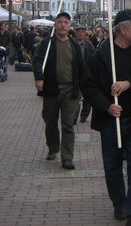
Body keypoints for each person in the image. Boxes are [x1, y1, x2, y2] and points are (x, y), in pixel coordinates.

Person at [81, 9, 131, 225]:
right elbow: (88, 86)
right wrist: (106, 106)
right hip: (110, 121)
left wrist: (130, 83)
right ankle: (119, 203)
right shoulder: (101, 55)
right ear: (123, 29)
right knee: (112, 165)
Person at [32, 12, 85, 170]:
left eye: (66, 22)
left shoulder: (74, 46)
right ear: (55, 24)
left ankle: (67, 157)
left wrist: (82, 88)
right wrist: (39, 77)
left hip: (70, 91)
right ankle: (53, 147)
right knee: (50, 122)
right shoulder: (47, 44)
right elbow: (37, 61)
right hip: (51, 89)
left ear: (70, 26)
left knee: (68, 125)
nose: (62, 25)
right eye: (60, 22)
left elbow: (81, 68)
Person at [74, 25, 95, 124]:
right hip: (75, 75)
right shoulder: (72, 44)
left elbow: (94, 58)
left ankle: (84, 116)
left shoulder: (89, 45)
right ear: (75, 33)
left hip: (87, 75)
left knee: (87, 97)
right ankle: (74, 117)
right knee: (75, 98)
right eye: (79, 31)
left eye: (82, 31)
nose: (80, 33)